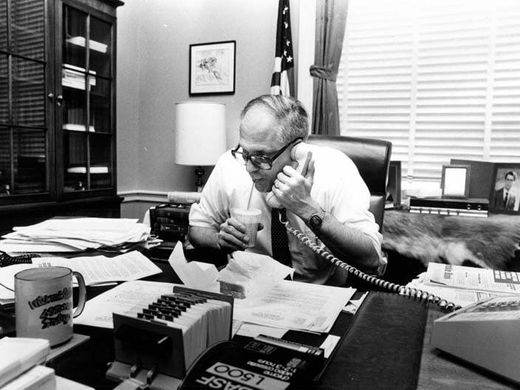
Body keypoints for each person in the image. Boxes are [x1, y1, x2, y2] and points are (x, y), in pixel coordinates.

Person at [188, 94, 384, 286]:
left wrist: (309, 210)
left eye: (261, 156)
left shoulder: (336, 169)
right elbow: (197, 228)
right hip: (248, 291)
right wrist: (219, 240)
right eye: (245, 152)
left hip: (314, 294)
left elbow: (370, 258)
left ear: (297, 150)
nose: (248, 167)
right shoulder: (229, 165)